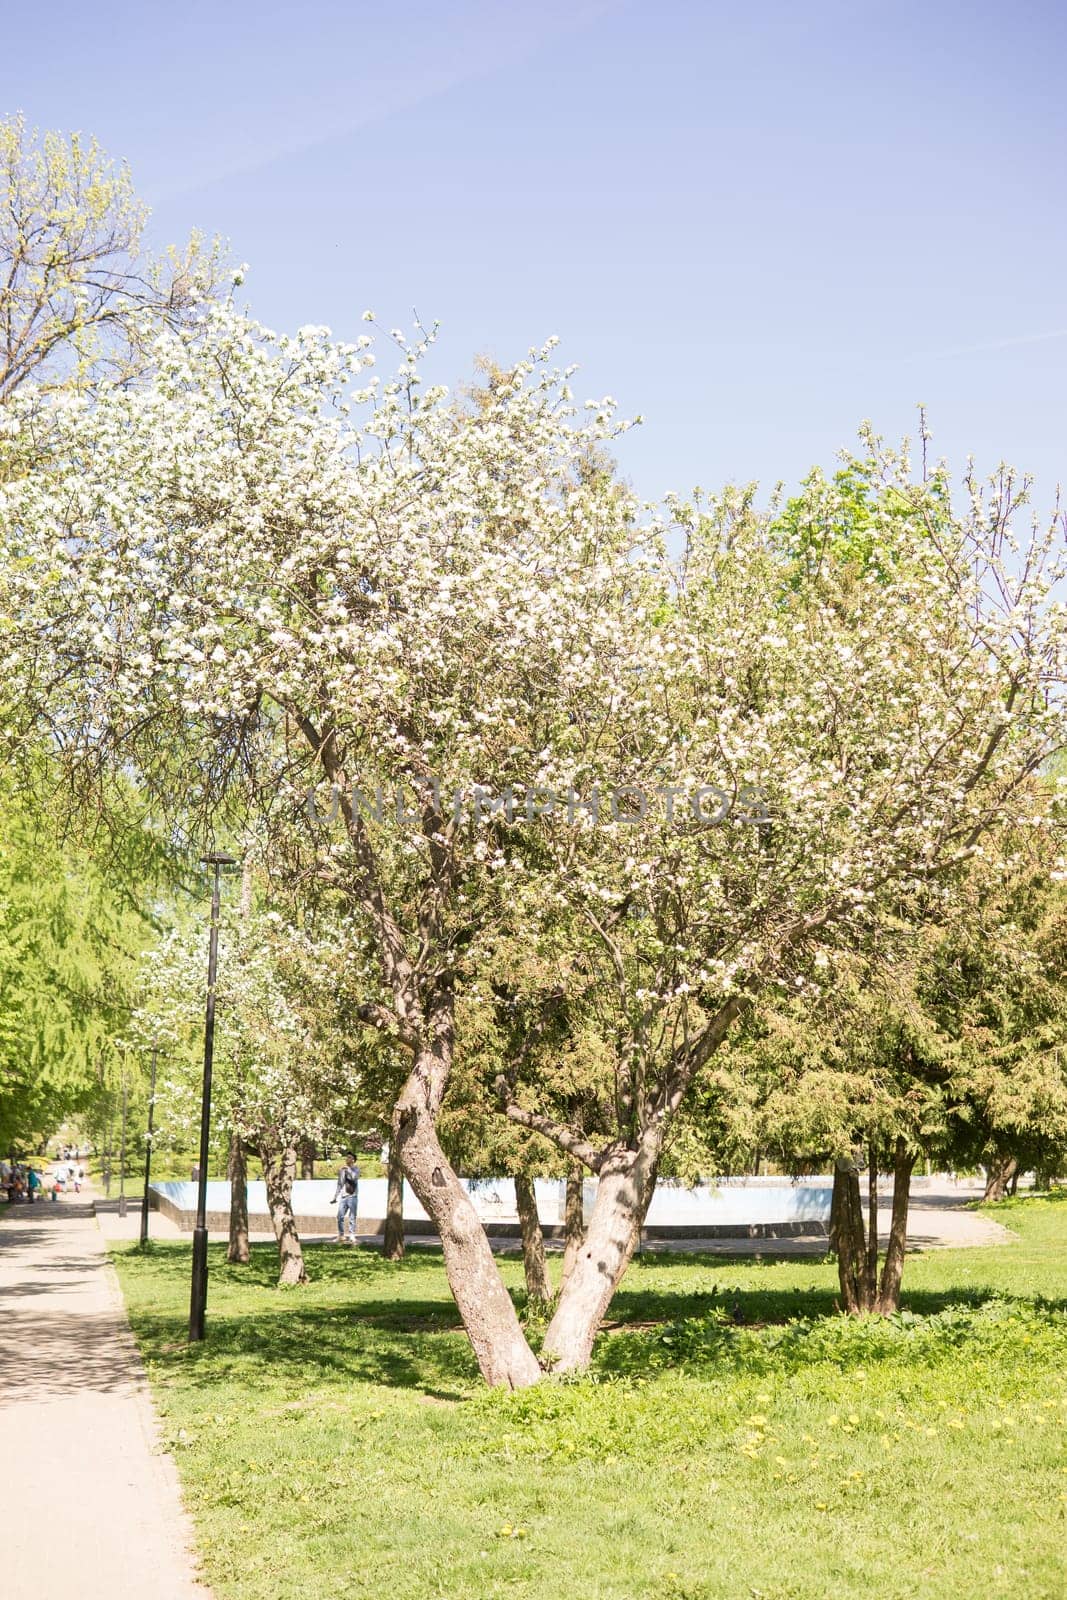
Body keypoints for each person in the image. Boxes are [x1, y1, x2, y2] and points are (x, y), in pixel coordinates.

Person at [331, 1152, 360, 1244]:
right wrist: (335, 1196)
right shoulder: (342, 1170)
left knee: (352, 1216)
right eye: (346, 1157)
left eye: (349, 1157)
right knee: (339, 1216)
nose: (347, 1159)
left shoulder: (356, 1169)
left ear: (353, 1160)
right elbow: (340, 1184)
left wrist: (348, 1170)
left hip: (352, 1196)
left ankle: (352, 1235)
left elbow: (353, 1178)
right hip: (343, 1196)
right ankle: (341, 1235)